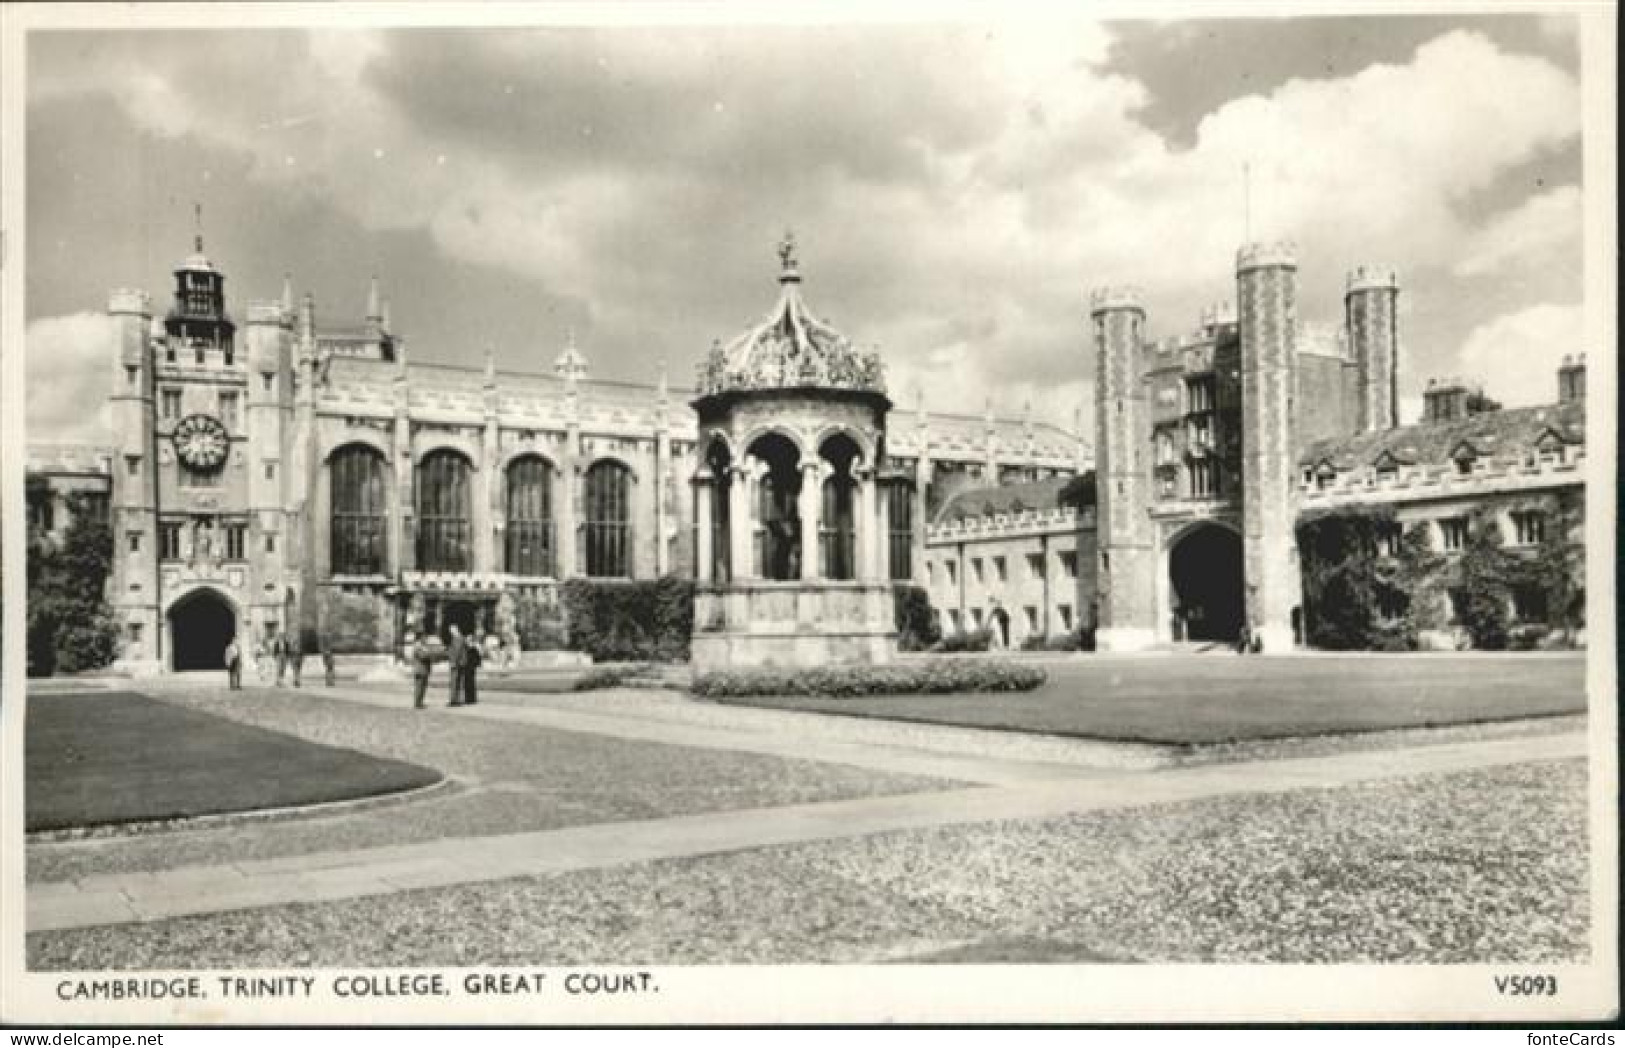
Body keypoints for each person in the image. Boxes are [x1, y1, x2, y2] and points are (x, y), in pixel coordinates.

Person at [409, 632, 434, 710]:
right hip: (420, 669)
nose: (426, 639)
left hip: (424, 669)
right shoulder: (418, 646)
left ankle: (420, 702)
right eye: (424, 638)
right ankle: (417, 703)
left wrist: (428, 653)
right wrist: (429, 653)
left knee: (423, 687)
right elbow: (422, 656)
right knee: (419, 687)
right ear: (420, 638)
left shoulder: (423, 647)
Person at [446, 624, 467, 707]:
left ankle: (454, 700)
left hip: (457, 663)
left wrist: (453, 662)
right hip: (461, 663)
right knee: (459, 682)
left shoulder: (457, 638)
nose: (450, 632)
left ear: (455, 630)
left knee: (454, 682)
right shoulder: (460, 638)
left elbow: (457, 651)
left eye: (451, 631)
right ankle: (457, 699)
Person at [464, 627, 485, 706]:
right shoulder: (473, 646)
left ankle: (470, 698)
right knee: (469, 682)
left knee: (470, 682)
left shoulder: (474, 646)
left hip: (470, 666)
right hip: (469, 665)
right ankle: (470, 698)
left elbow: (479, 655)